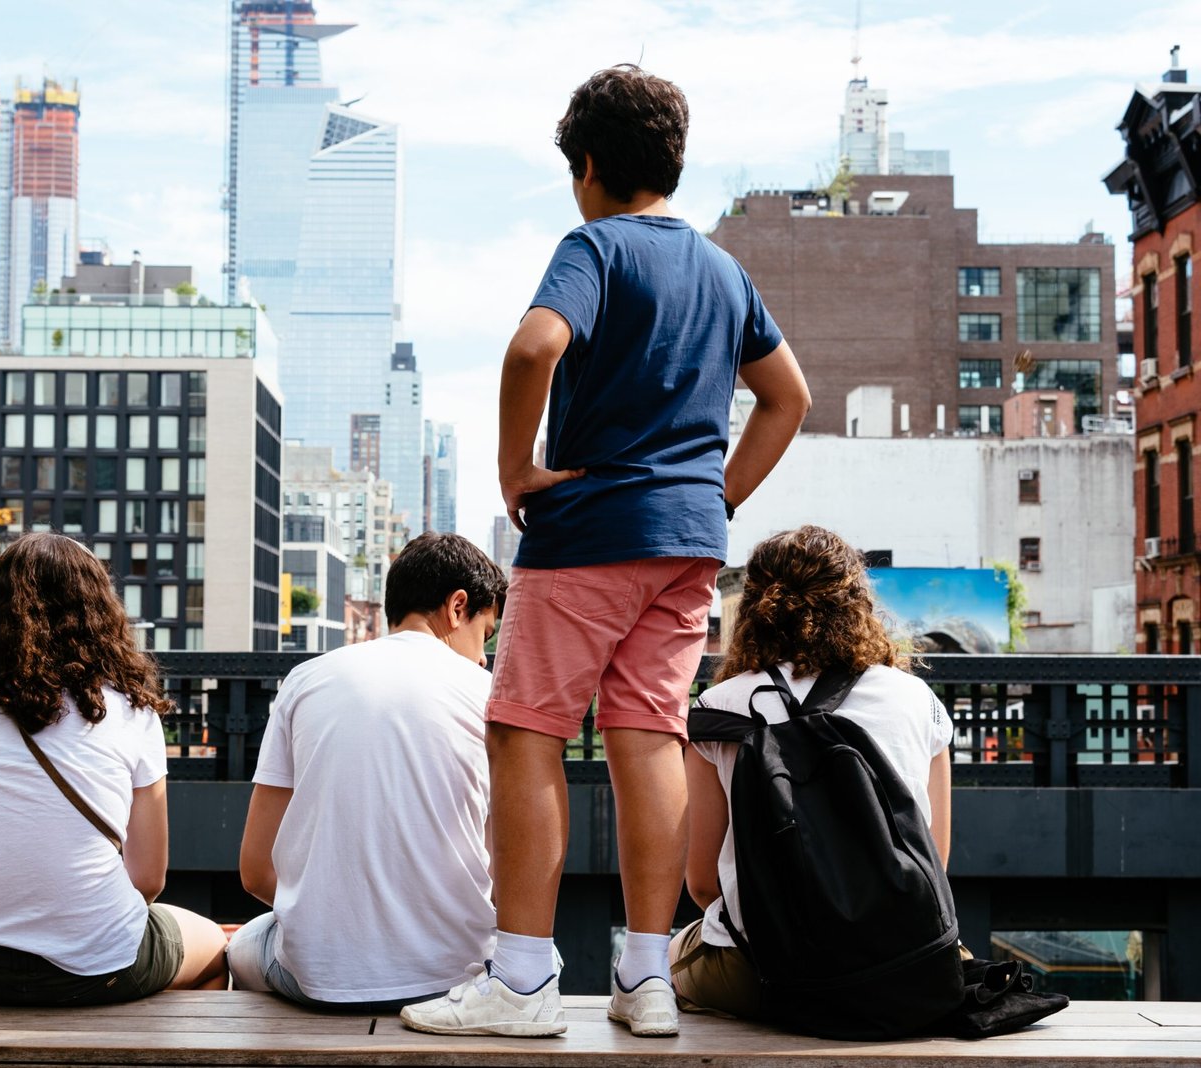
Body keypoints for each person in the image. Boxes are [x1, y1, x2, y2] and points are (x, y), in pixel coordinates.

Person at [401, 65, 809, 1039]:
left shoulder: (594, 247)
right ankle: (644, 977)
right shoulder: (722, 270)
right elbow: (787, 396)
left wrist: (512, 469)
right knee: (645, 739)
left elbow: (532, 347)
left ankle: (523, 982)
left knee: (524, 730)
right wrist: (716, 496)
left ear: (587, 165)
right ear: (669, 160)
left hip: (586, 534)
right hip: (685, 549)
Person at [0, 532, 227, 1004]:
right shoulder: (132, 714)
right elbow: (148, 880)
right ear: (100, 613)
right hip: (97, 971)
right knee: (218, 949)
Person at [673, 526, 954, 1018]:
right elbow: (936, 858)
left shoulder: (720, 707)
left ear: (754, 610)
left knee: (655, 964)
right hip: (902, 969)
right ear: (858, 604)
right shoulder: (918, 701)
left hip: (767, 975)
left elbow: (702, 884)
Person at [230, 533, 505, 1012]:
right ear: (457, 607)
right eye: (485, 634)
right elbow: (505, 872)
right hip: (455, 980)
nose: (484, 656)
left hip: (316, 979)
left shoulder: (306, 679)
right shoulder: (488, 696)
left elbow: (256, 872)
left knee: (239, 946)